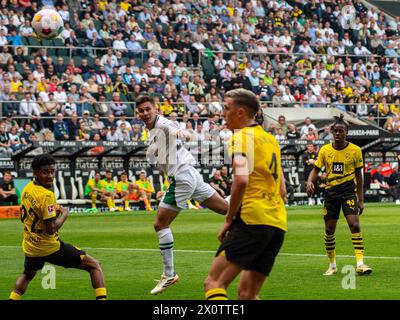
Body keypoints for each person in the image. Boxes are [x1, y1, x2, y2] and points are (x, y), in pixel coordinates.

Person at [136, 94, 228, 295]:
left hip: (183, 176)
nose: (144, 113)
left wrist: (182, 133)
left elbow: (176, 131)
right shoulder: (151, 129)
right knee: (225, 209)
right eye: (141, 110)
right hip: (190, 173)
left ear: (155, 109)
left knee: (160, 224)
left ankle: (169, 274)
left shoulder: (161, 125)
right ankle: (250, 196)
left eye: (147, 109)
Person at [203, 88, 287, 300]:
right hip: (276, 224)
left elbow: (241, 180)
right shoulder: (271, 140)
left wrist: (229, 218)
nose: (223, 112)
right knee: (248, 294)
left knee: (213, 283)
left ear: (240, 112)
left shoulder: (241, 138)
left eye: (226, 108)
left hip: (252, 220)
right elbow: (282, 190)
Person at [9, 154, 107, 300]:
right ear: (35, 172)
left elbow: (25, 216)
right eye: (45, 172)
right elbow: (51, 228)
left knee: (27, 274)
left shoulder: (27, 188)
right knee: (94, 265)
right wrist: (65, 214)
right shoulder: (47, 195)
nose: (50, 176)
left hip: (31, 246)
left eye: (52, 171)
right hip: (50, 247)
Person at [306, 114, 372, 276]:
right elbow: (316, 169)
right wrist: (309, 182)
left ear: (346, 132)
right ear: (332, 132)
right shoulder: (325, 150)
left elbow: (359, 176)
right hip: (331, 194)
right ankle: (332, 265)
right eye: (335, 131)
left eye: (341, 131)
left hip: (348, 192)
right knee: (329, 229)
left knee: (354, 224)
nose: (337, 133)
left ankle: (361, 263)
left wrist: (361, 200)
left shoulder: (355, 151)